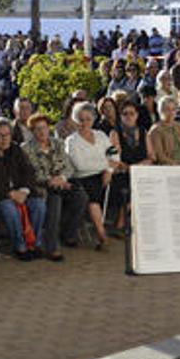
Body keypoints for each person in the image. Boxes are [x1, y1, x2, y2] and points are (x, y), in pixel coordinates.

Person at [0, 118, 46, 261]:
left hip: (21, 192)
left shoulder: (16, 149)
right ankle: (20, 246)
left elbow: (29, 172)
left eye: (7, 135)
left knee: (39, 205)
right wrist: (10, 193)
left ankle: (34, 244)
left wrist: (24, 191)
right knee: (9, 208)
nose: (4, 139)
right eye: (0, 135)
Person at [22, 115, 86, 261]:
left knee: (81, 197)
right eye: (37, 129)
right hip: (42, 187)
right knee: (54, 200)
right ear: (32, 131)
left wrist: (62, 178)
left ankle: (68, 234)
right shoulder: (26, 149)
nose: (42, 132)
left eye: (44, 128)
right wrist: (51, 181)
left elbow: (68, 166)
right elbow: (32, 174)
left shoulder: (58, 143)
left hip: (61, 183)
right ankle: (52, 247)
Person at [64, 102, 116, 249]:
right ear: (75, 120)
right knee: (93, 196)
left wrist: (109, 170)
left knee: (123, 184)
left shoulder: (100, 135)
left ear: (93, 119)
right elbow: (81, 166)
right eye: (80, 119)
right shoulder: (72, 141)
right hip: (82, 178)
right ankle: (101, 234)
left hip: (104, 175)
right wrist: (106, 164)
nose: (84, 122)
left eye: (88, 119)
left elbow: (114, 154)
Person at [108, 100, 150, 235]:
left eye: (132, 113)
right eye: (125, 114)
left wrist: (138, 167)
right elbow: (114, 158)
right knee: (132, 186)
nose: (128, 116)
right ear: (120, 116)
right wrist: (128, 168)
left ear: (137, 115)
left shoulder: (144, 132)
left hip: (141, 171)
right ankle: (120, 222)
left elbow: (151, 156)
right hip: (122, 171)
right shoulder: (115, 133)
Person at [147, 97, 180, 166]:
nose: (171, 112)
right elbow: (160, 156)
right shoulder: (156, 130)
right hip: (170, 167)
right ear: (161, 111)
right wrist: (177, 165)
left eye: (173, 109)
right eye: (167, 109)